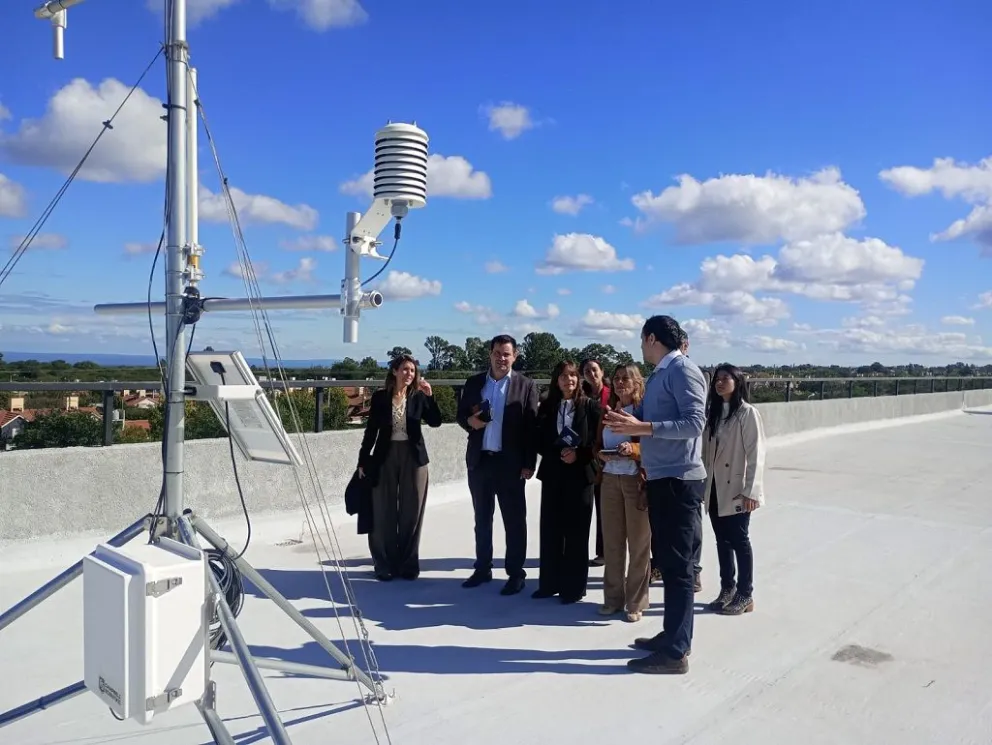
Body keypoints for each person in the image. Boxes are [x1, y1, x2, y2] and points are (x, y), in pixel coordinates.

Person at [604, 315, 707, 675]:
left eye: (641, 340)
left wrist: (642, 427)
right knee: (668, 563)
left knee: (678, 570)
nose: (641, 347)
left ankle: (676, 652)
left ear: (651, 338)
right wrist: (625, 420)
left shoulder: (682, 370)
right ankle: (670, 636)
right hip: (663, 478)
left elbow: (695, 424)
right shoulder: (661, 373)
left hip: (680, 480)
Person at [456, 334, 540, 596]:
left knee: (514, 521)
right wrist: (470, 422)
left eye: (506, 354)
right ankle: (483, 569)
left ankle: (516, 574)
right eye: (497, 353)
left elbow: (531, 428)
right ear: (490, 354)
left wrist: (529, 463)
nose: (501, 358)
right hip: (480, 461)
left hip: (511, 465)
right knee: (482, 519)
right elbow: (461, 415)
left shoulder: (525, 386)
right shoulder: (474, 383)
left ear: (514, 356)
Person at [357, 355, 442, 581]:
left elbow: (435, 421)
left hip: (414, 457)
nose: (409, 374)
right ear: (394, 371)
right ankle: (383, 563)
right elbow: (371, 431)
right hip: (384, 455)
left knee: (411, 512)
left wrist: (430, 398)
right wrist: (363, 460)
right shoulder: (380, 398)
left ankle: (408, 563)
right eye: (405, 369)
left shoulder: (418, 397)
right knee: (382, 510)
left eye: (413, 371)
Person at [532, 360, 602, 603]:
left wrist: (578, 454)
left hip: (581, 475)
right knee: (550, 529)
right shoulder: (547, 407)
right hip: (553, 472)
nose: (568, 380)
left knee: (577, 532)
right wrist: (557, 452)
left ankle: (573, 588)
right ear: (556, 380)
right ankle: (549, 583)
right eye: (563, 376)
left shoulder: (590, 407)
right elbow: (538, 439)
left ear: (578, 380)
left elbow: (597, 442)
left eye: (572, 376)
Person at [702, 363, 765, 615]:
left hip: (737, 487)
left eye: (725, 378)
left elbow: (756, 454)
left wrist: (752, 490)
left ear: (737, 382)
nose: (719, 382)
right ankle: (727, 588)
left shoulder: (747, 413)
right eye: (717, 379)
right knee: (722, 541)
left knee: (739, 539)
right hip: (715, 487)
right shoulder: (714, 413)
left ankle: (745, 593)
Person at [594, 364, 651, 622]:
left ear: (637, 383)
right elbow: (597, 444)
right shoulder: (608, 412)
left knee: (639, 544)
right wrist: (601, 454)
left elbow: (654, 445)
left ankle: (636, 602)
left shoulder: (643, 413)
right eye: (616, 379)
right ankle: (612, 599)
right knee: (613, 543)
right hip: (609, 479)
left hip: (634, 481)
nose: (619, 383)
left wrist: (634, 449)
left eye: (625, 379)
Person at [581, 357, 611, 567]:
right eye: (587, 371)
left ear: (601, 371)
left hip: (606, 456)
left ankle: (604, 551)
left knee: (605, 507)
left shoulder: (611, 395)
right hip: (586, 456)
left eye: (594, 370)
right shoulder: (581, 395)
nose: (591, 374)